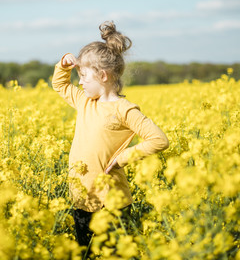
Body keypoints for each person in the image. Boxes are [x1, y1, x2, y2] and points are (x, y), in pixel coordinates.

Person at [52, 21, 169, 251]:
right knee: (87, 252)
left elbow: (159, 140)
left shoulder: (123, 109)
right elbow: (60, 84)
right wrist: (64, 63)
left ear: (103, 76)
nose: (80, 82)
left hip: (111, 202)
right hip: (82, 197)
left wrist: (122, 159)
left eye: (84, 76)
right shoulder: (85, 101)